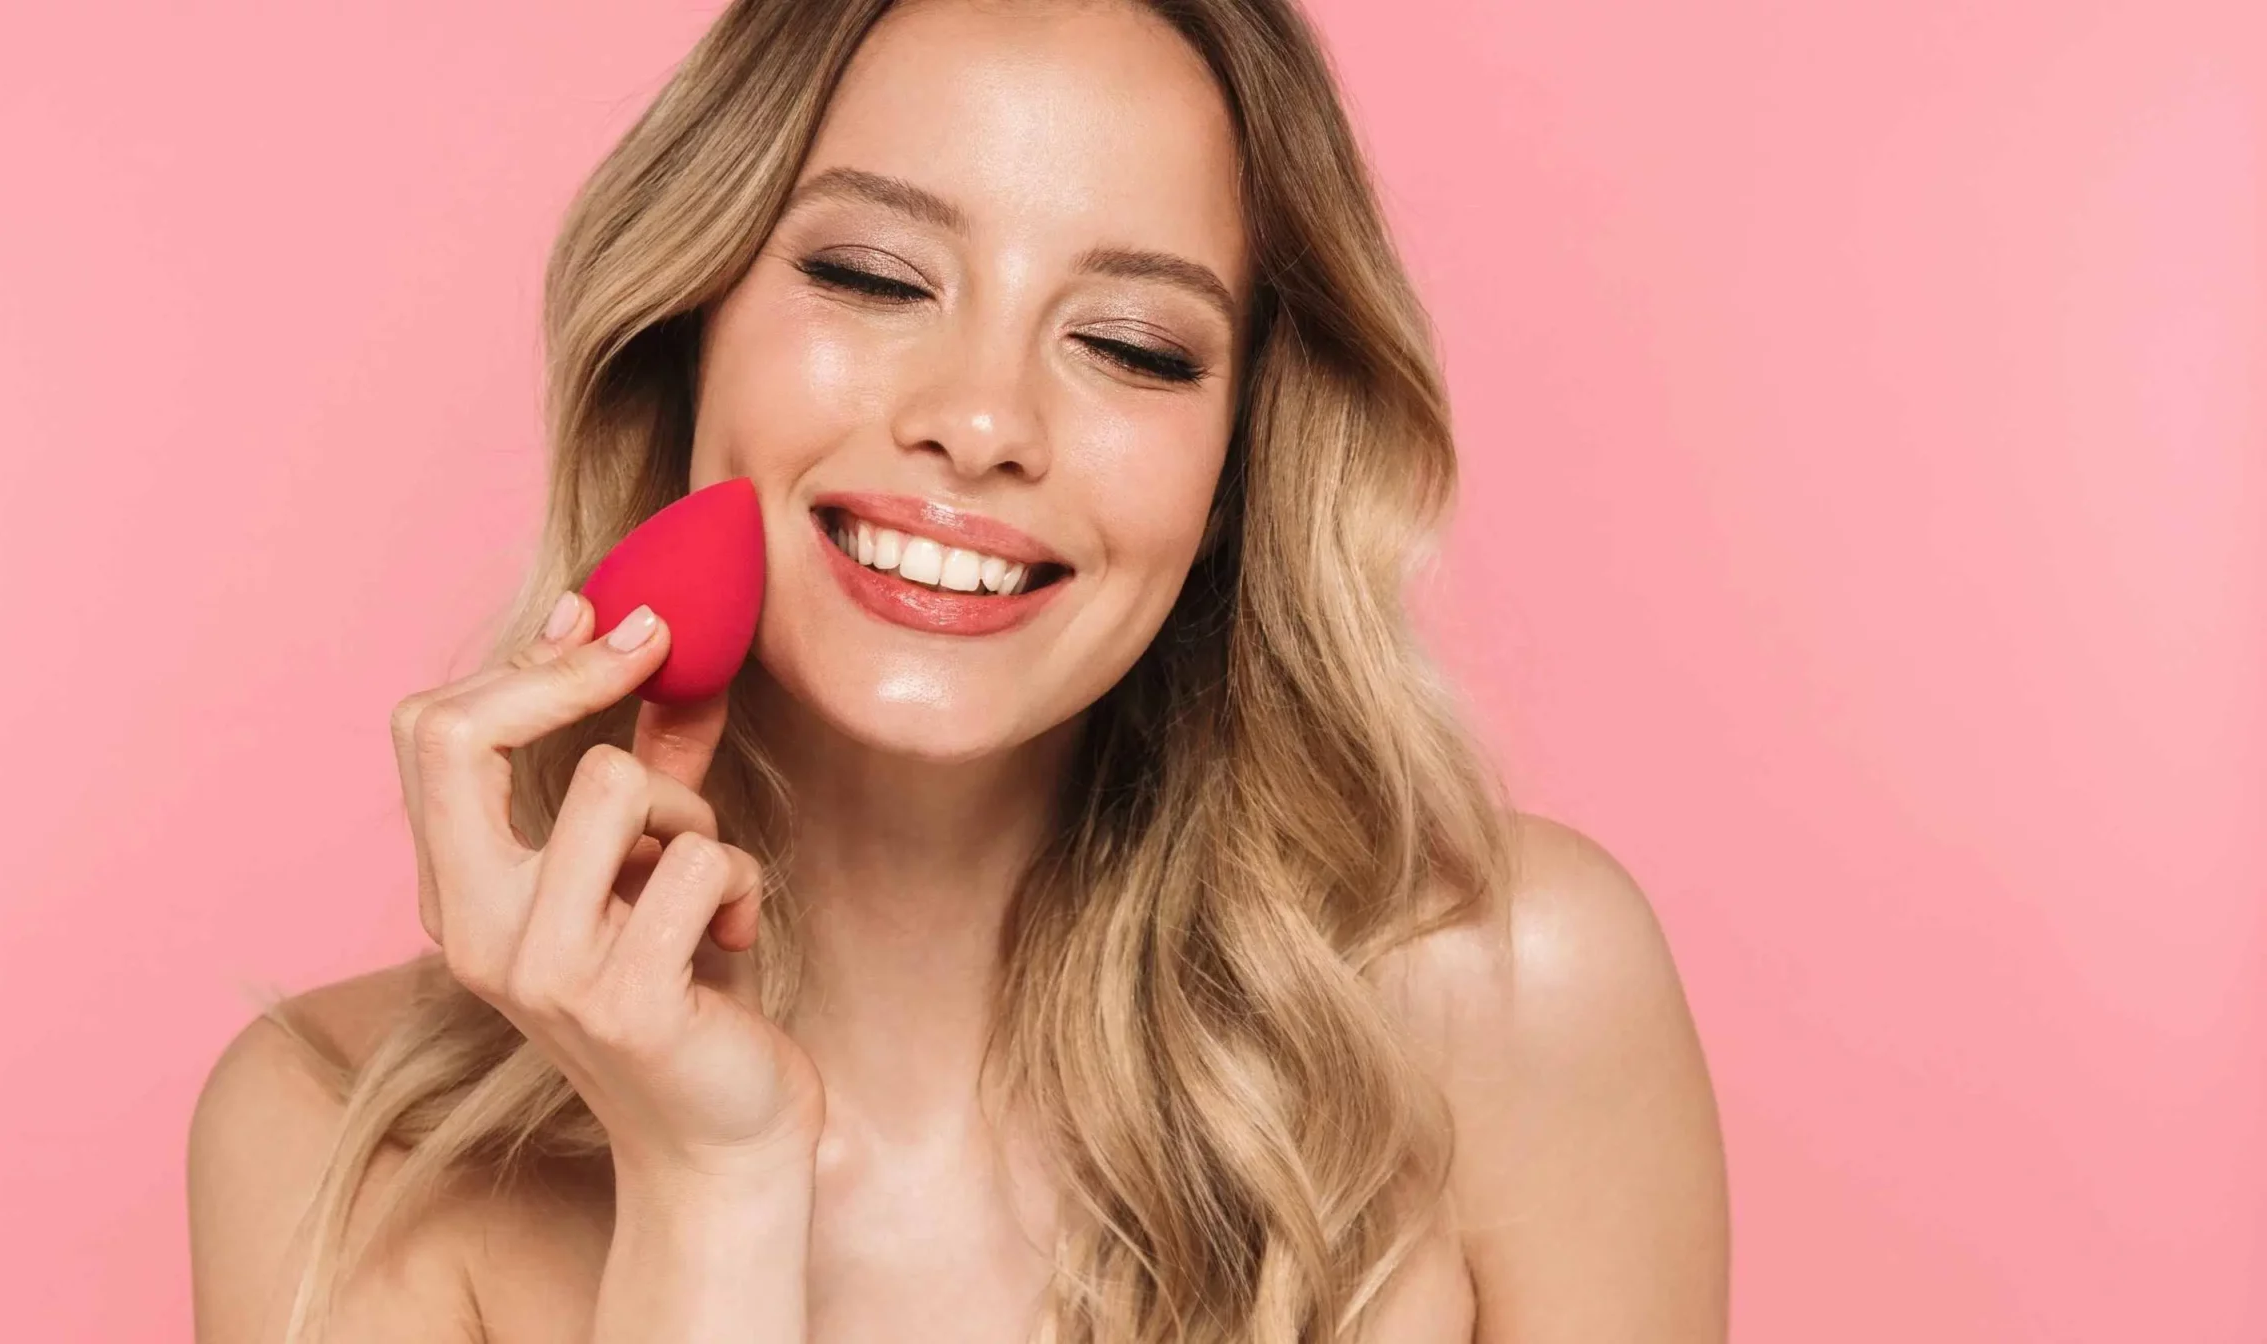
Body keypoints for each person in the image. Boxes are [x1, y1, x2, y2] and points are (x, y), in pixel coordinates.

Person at [186, 0, 1730, 1339]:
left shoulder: (1519, 1002)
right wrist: (711, 1184)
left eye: (1132, 344)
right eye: (871, 275)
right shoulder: (334, 1143)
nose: (982, 418)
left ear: (1238, 468)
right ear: (685, 327)